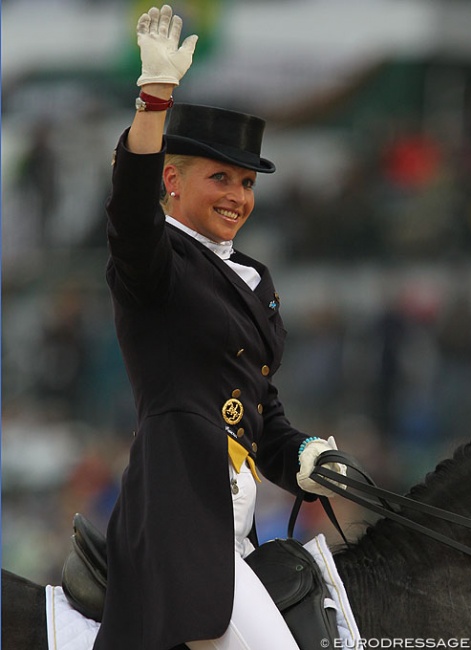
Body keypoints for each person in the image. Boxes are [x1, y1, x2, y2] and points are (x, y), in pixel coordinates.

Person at [93, 5, 345, 650]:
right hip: (179, 515)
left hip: (233, 524)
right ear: (171, 181)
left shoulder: (251, 275)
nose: (237, 195)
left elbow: (254, 407)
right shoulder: (154, 262)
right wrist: (154, 104)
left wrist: (304, 457)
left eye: (245, 182)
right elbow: (128, 208)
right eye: (219, 178)